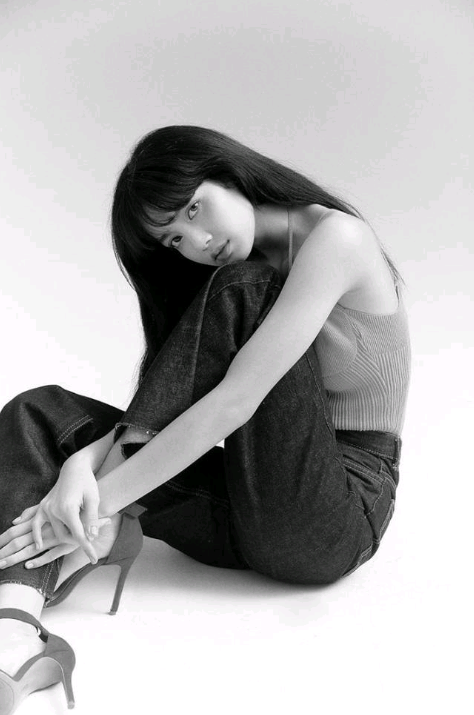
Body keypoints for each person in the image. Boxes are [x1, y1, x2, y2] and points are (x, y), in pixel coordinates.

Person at [0, 125, 410, 713]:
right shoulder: (235, 277)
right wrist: (80, 464)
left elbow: (233, 404)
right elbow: (176, 408)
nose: (197, 242)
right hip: (253, 506)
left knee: (246, 287)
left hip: (337, 513)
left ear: (229, 172)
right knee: (39, 413)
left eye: (194, 208)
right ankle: (14, 636)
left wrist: (104, 499)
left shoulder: (335, 238)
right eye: (174, 239)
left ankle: (89, 533)